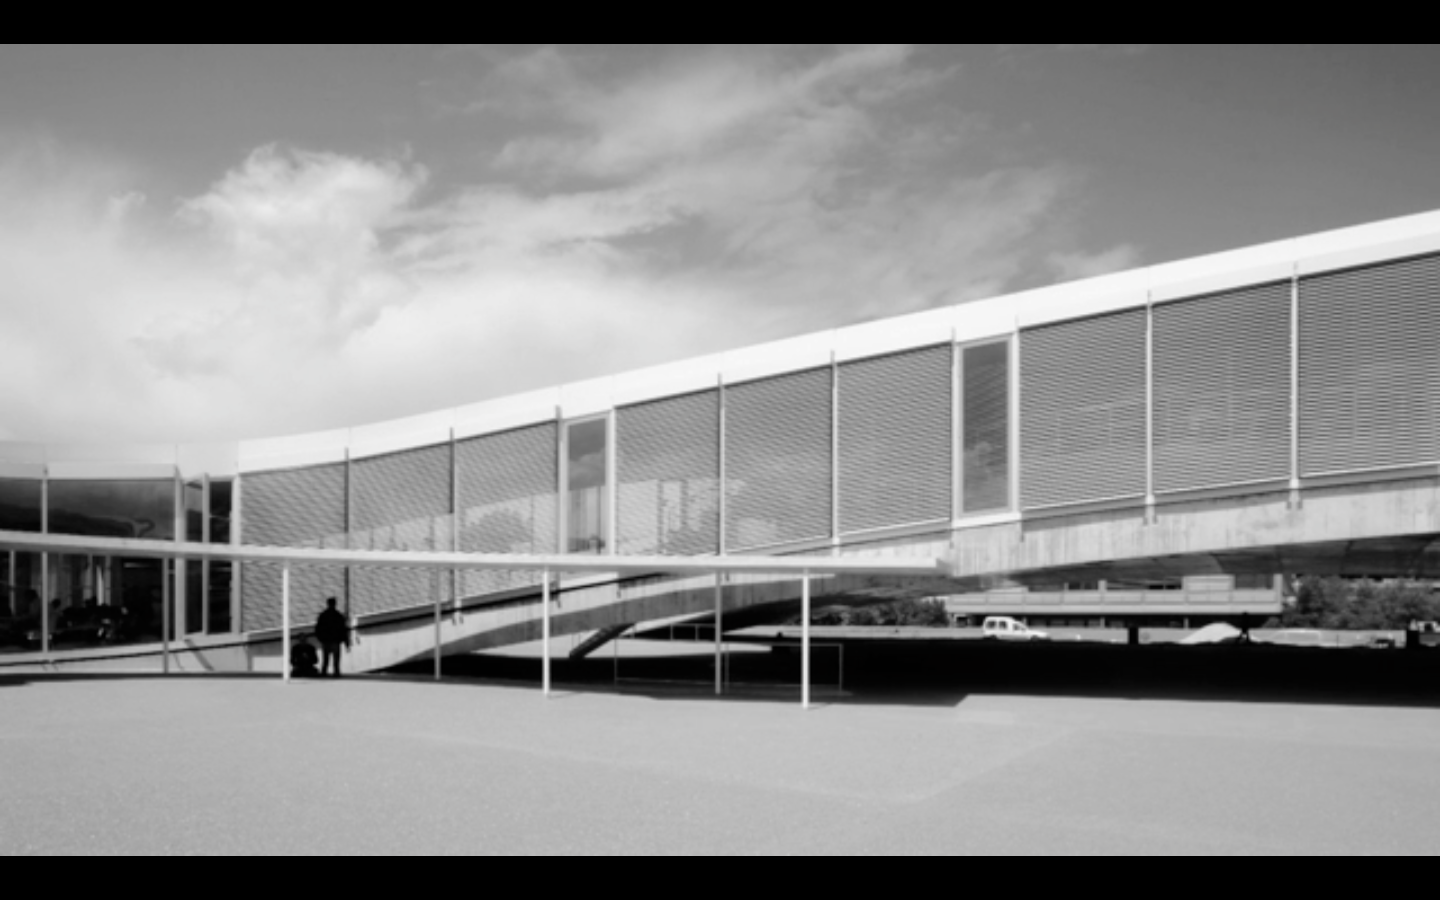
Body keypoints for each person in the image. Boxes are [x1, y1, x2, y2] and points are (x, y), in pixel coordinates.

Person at [315, 597, 350, 679]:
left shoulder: (323, 615)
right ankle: (336, 672)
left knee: (325, 658)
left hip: (326, 640)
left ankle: (324, 672)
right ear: (335, 604)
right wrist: (346, 643)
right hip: (335, 640)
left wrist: (321, 638)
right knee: (336, 659)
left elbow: (318, 628)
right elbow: (343, 630)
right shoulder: (338, 616)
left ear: (327, 604)